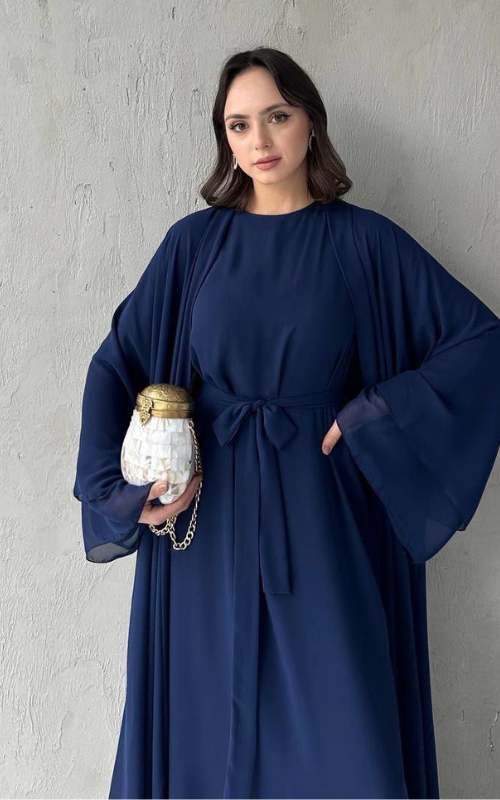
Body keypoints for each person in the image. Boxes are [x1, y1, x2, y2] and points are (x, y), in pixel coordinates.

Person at [73, 47, 500, 800]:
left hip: (324, 520)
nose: (260, 140)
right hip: (206, 529)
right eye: (239, 124)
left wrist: (373, 414)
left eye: (277, 115)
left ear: (310, 121)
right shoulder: (193, 247)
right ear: (225, 139)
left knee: (344, 735)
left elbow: (479, 343)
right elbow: (118, 365)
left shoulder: (364, 241)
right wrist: (125, 495)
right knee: (205, 727)